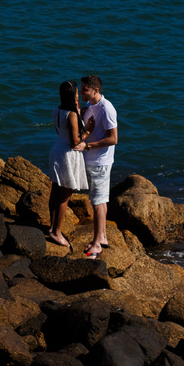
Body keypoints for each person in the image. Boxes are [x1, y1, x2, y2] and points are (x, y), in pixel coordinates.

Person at [75, 74, 117, 257]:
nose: (81, 91)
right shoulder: (91, 106)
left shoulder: (106, 108)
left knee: (97, 203)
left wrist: (88, 145)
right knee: (101, 201)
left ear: (96, 90)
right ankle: (103, 237)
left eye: (84, 89)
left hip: (100, 162)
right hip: (92, 160)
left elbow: (113, 139)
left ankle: (97, 244)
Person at [46, 80, 89, 248]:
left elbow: (61, 131)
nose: (78, 96)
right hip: (68, 155)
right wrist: (87, 131)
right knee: (65, 195)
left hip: (56, 149)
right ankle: (57, 232)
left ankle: (51, 227)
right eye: (77, 94)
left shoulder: (57, 110)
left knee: (55, 191)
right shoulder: (71, 114)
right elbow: (74, 141)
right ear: (72, 96)